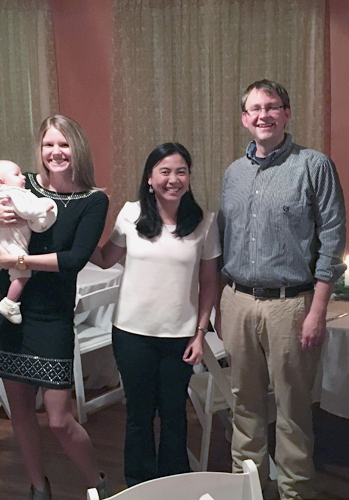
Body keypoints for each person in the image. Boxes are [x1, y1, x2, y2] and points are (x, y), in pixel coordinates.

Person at [217, 79, 347, 500]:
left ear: (287, 113)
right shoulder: (233, 174)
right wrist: (221, 302)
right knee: (245, 404)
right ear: (243, 119)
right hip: (237, 299)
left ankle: (295, 492)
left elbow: (332, 238)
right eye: (254, 108)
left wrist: (318, 310)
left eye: (272, 106)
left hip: (291, 305)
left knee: (293, 410)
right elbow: (225, 237)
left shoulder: (314, 165)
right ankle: (249, 489)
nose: (263, 115)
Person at [0, 115, 109, 500]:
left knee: (58, 420)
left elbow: (73, 259)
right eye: (49, 145)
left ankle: (98, 485)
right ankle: (38, 487)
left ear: (77, 149)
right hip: (8, 309)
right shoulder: (22, 185)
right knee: (19, 411)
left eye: (64, 144)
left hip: (50, 316)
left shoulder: (93, 200)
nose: (56, 152)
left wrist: (21, 264)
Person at [90, 142, 220, 486]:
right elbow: (105, 258)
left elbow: (209, 281)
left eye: (180, 171)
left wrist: (201, 332)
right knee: (139, 414)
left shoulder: (204, 223)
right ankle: (140, 485)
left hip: (180, 336)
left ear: (189, 178)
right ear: (150, 178)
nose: (172, 179)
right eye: (164, 171)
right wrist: (71, 235)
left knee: (175, 414)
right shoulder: (131, 214)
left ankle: (175, 485)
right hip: (132, 334)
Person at [0, 160, 57, 324]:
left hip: (1, 241)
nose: (23, 177)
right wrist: (44, 207)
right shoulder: (14, 194)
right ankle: (10, 303)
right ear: (1, 182)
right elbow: (27, 211)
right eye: (17, 174)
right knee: (22, 274)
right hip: (15, 245)